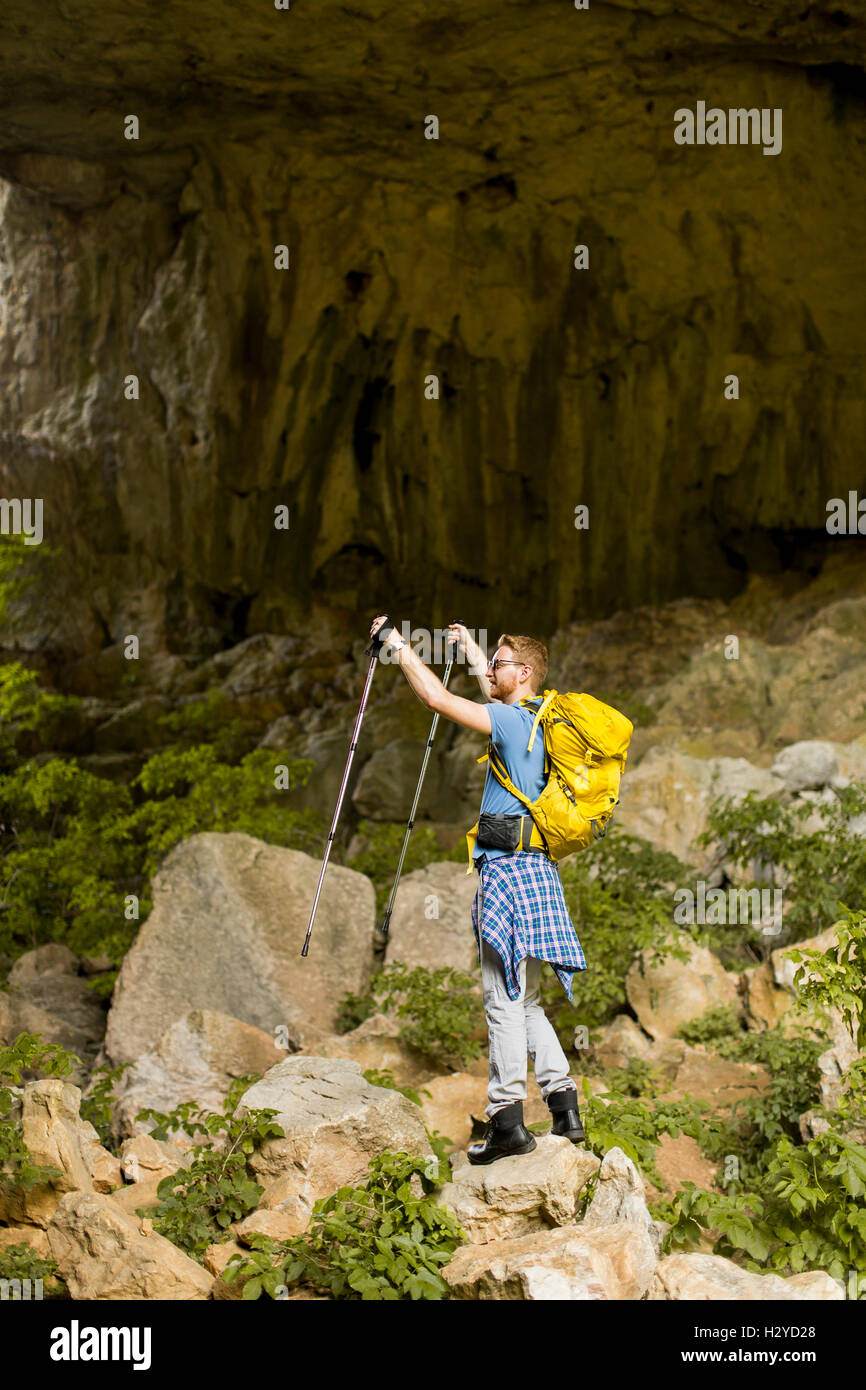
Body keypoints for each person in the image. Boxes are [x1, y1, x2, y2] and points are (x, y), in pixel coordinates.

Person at [368, 615, 587, 1165]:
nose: (491, 671)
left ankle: (508, 1121)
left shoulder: (513, 722)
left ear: (527, 671)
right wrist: (471, 647)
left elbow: (440, 700)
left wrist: (396, 646)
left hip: (509, 872)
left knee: (502, 1001)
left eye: (500, 663)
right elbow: (488, 688)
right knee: (529, 999)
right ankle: (564, 1107)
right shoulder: (537, 721)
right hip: (537, 870)